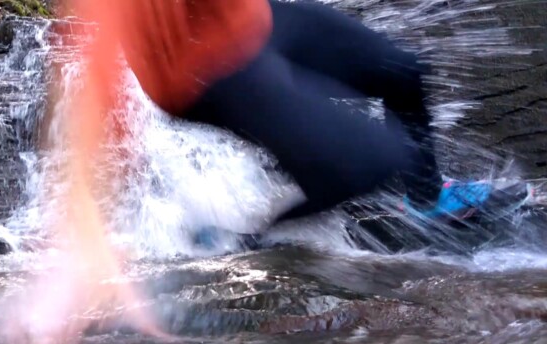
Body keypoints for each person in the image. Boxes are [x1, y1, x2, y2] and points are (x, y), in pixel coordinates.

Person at [59, 0, 528, 250]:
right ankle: (245, 241)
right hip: (206, 75)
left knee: (403, 72)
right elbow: (98, 67)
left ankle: (426, 199)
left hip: (258, 22)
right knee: (377, 159)